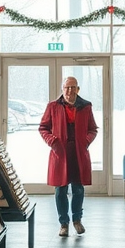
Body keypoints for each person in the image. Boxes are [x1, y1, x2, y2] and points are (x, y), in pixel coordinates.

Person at [39, 77, 98, 237]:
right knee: (60, 190)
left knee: (78, 189)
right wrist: (52, 141)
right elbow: (43, 127)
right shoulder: (53, 106)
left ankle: (77, 221)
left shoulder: (86, 107)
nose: (70, 91)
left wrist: (86, 141)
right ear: (62, 89)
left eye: (73, 88)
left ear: (78, 89)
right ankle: (63, 224)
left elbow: (93, 129)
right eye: (67, 88)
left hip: (79, 153)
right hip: (60, 153)